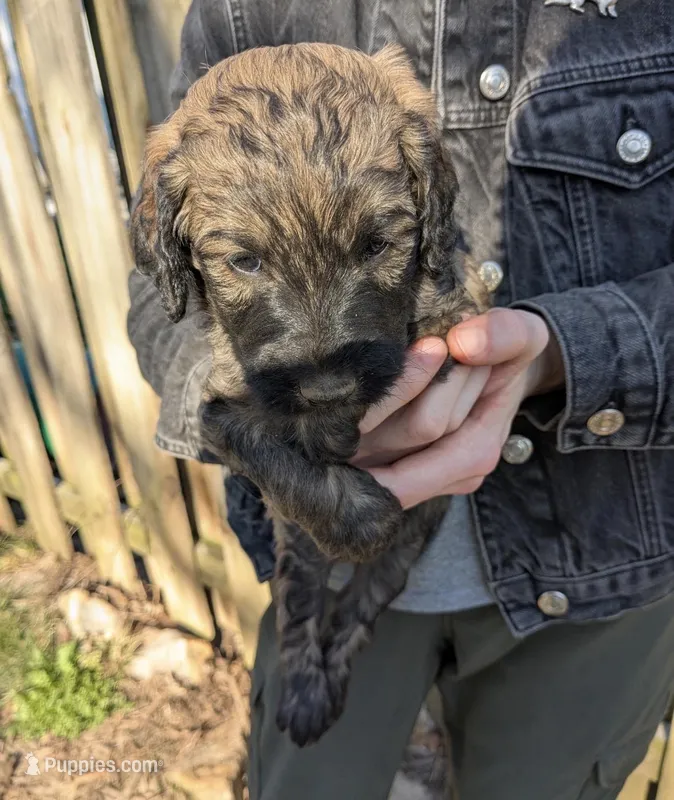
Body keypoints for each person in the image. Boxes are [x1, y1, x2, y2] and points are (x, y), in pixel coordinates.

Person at [126, 1, 674, 798]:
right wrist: (236, 418)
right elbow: (158, 301)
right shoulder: (243, 12)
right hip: (308, 569)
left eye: (379, 241)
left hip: (603, 566)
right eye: (243, 260)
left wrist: (559, 352)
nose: (323, 369)